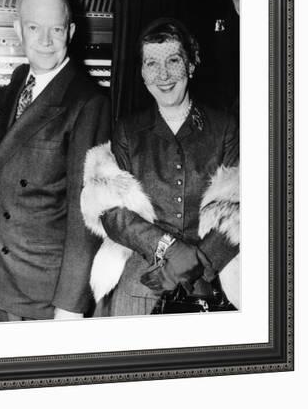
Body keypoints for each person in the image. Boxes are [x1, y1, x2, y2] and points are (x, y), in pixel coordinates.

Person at [0, 0, 111, 321]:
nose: (46, 41)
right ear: (18, 30)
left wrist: (71, 303)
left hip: (46, 290)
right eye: (34, 28)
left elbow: (87, 212)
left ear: (72, 31)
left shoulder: (89, 101)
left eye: (57, 29)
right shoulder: (24, 77)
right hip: (2, 274)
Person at [81, 18, 239, 316]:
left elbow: (243, 207)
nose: (163, 74)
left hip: (214, 271)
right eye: (151, 63)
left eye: (174, 60)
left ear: (191, 65)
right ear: (142, 72)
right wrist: (169, 249)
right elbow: (112, 213)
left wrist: (200, 262)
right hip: (145, 268)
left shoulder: (226, 126)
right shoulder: (127, 130)